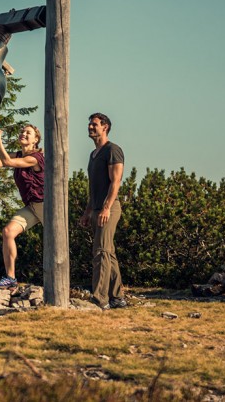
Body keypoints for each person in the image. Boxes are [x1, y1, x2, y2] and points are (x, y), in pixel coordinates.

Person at [79, 112, 128, 309]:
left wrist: (106, 208)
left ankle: (100, 299)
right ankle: (117, 298)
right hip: (97, 209)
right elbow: (94, 187)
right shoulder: (93, 155)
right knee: (109, 253)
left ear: (105, 127)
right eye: (90, 124)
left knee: (100, 251)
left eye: (95, 124)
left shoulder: (112, 150)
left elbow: (115, 182)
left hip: (109, 209)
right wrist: (88, 211)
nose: (90, 127)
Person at [0, 122, 44, 289]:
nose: (23, 134)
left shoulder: (35, 158)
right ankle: (10, 277)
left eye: (28, 133)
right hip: (32, 207)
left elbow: (6, 160)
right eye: (22, 131)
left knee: (55, 245)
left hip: (47, 207)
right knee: (8, 232)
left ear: (36, 140)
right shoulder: (19, 154)